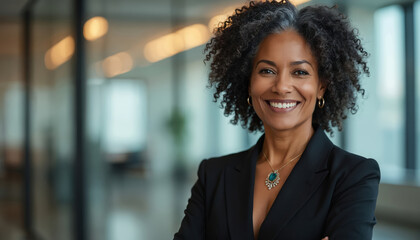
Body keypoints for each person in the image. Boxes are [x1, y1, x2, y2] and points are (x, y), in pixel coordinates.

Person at [174, 0, 380, 239]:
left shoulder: (353, 176)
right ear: (249, 82)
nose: (282, 86)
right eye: (267, 71)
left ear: (322, 86)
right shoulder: (214, 175)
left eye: (300, 72)